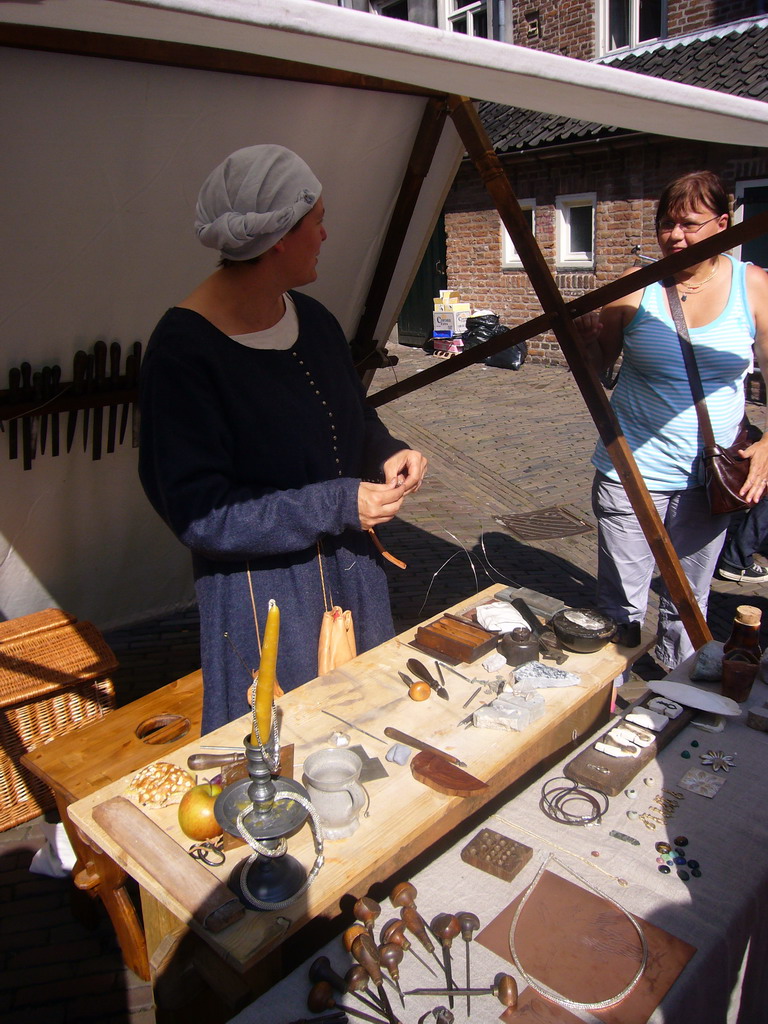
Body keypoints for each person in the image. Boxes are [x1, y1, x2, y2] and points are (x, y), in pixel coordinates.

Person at [139, 145, 427, 732]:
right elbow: (203, 516)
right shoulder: (183, 353)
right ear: (278, 238)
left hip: (352, 577)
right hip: (266, 602)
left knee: (368, 740)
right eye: (317, 220)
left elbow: (351, 418)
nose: (326, 234)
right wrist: (339, 501)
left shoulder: (314, 320)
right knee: (285, 759)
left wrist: (384, 449)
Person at [579, 170, 768, 670]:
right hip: (631, 471)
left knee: (689, 602)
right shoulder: (636, 289)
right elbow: (598, 372)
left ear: (724, 224)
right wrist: (586, 338)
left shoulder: (753, 287)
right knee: (621, 602)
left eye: (689, 223)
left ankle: (673, 691)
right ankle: (608, 694)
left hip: (712, 478)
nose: (674, 236)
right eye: (666, 223)